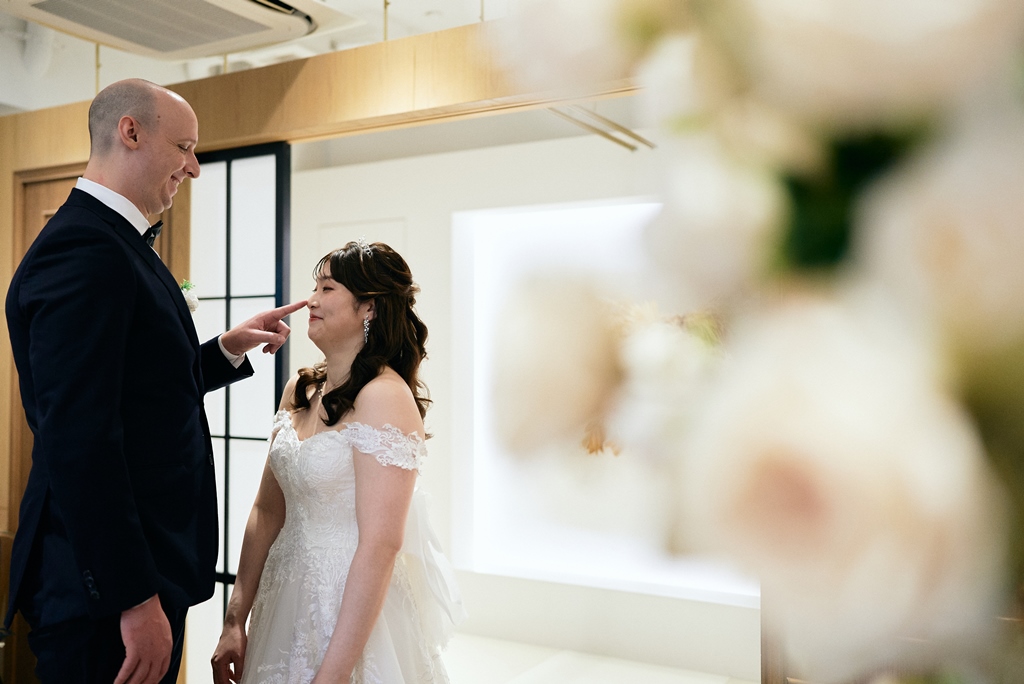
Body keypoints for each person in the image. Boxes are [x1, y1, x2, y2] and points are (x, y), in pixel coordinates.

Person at [3, 78, 307, 684]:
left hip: (146, 564)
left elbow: (136, 393)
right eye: (185, 148)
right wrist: (134, 598)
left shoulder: (115, 240)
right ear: (131, 132)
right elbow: (81, 438)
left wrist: (225, 349)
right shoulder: (82, 250)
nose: (194, 167)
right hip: (107, 588)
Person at [212, 241, 464, 684]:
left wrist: (332, 674)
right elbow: (267, 510)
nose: (311, 300)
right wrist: (235, 619)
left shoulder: (384, 397)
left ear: (369, 307)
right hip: (282, 599)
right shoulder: (300, 389)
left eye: (327, 288)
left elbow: (381, 544)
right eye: (315, 287)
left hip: (350, 609)